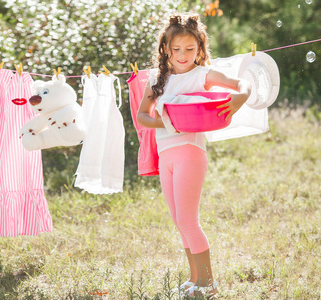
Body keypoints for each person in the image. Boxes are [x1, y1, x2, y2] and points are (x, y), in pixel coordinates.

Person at [137, 13, 251, 298]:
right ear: (165, 49)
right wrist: (166, 122)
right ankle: (194, 279)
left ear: (200, 47)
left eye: (190, 49)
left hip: (190, 153)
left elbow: (243, 85)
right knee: (179, 221)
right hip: (166, 156)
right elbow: (142, 116)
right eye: (176, 49)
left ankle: (208, 284)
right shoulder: (156, 79)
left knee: (189, 220)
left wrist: (240, 98)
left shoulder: (203, 75)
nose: (183, 55)